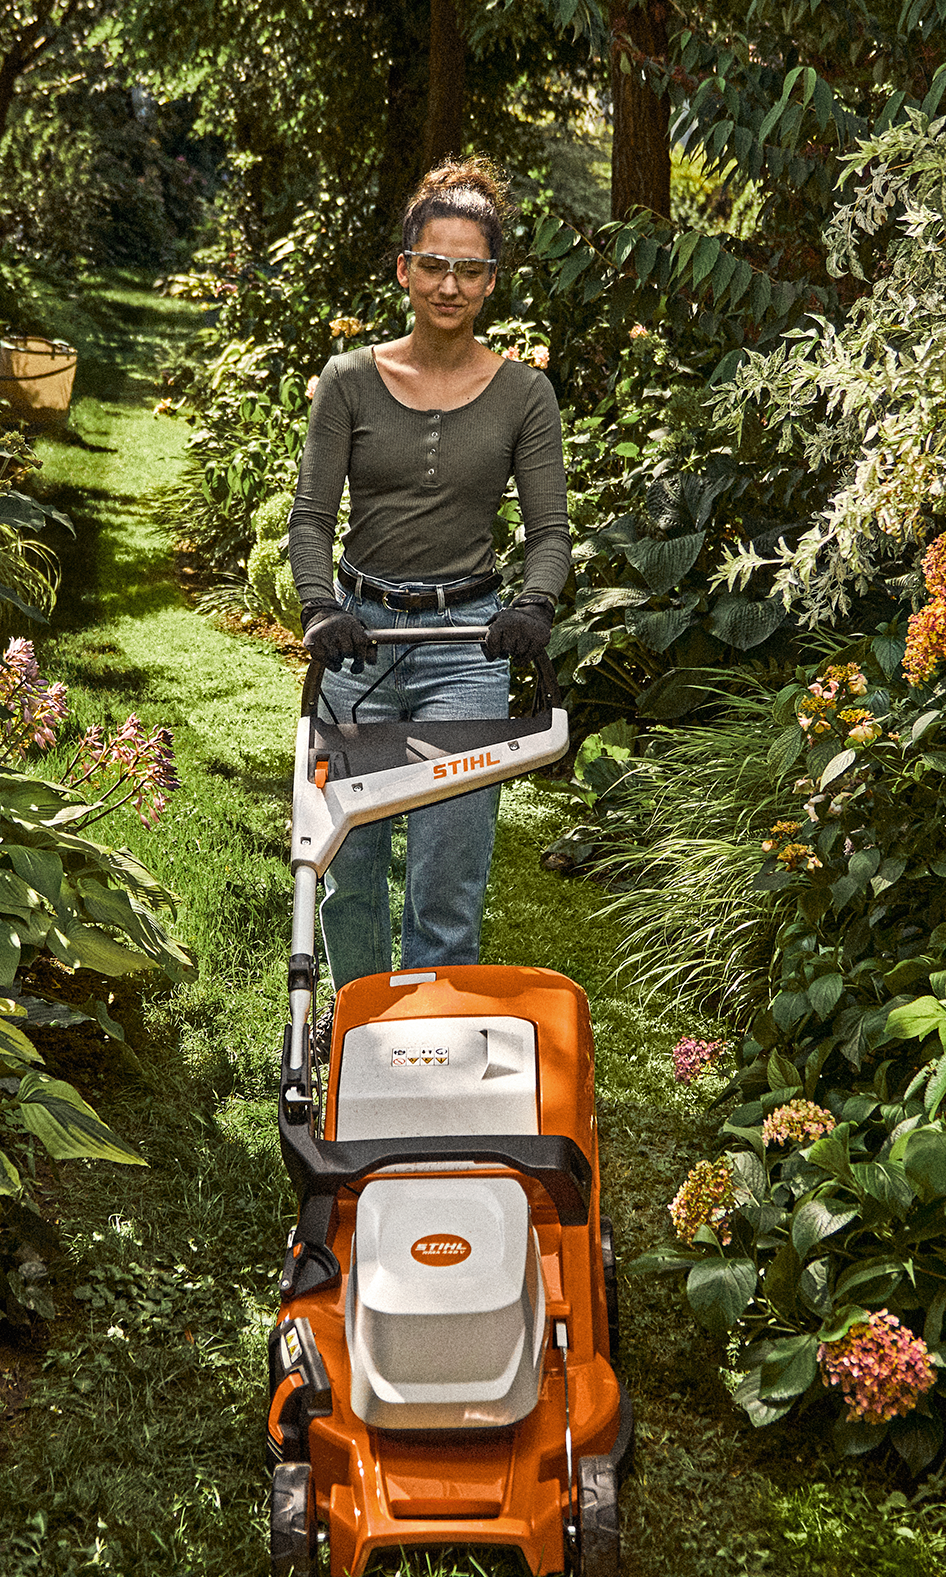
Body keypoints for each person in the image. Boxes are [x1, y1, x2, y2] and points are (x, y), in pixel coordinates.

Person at [290, 159, 567, 977]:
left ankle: (427, 1056)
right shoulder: (348, 381)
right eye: (435, 265)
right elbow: (311, 518)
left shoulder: (525, 395)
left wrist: (535, 605)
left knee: (446, 884)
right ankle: (354, 1044)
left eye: (470, 269)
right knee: (348, 874)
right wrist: (318, 608)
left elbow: (550, 530)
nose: (450, 285)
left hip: (467, 650)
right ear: (406, 270)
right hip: (358, 645)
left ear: (491, 284)